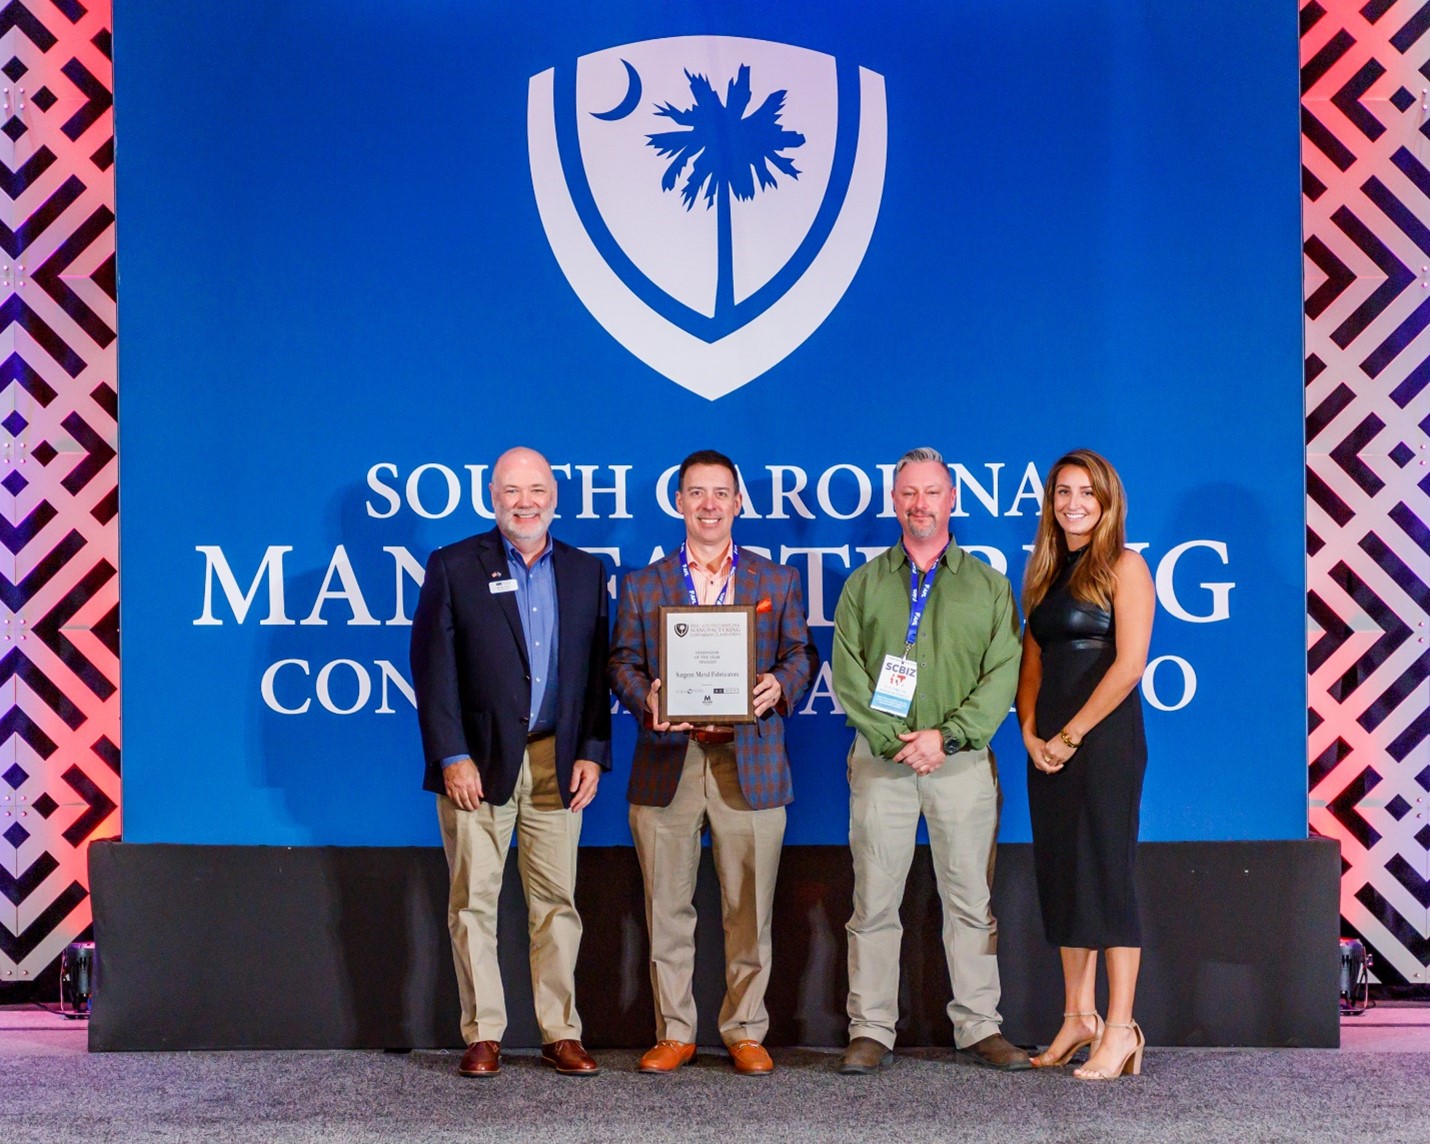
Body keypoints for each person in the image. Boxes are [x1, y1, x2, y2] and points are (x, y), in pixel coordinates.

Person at [609, 449, 820, 1076]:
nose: (708, 505)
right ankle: (674, 1031)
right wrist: (646, 697)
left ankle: (746, 1030)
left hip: (748, 760)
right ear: (679, 502)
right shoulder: (643, 584)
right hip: (668, 761)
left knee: (748, 909)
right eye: (696, 493)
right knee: (666, 907)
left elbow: (801, 654)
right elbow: (622, 662)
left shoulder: (775, 580)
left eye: (720, 493)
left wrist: (779, 685)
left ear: (737, 503)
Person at [410, 446, 611, 1078]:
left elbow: (595, 676)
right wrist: (452, 756)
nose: (525, 503)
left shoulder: (586, 571)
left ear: (555, 496)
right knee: (474, 900)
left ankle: (561, 1032)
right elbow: (432, 671)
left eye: (536, 490)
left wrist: (593, 753)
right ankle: (484, 1034)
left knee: (557, 902)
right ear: (492, 497)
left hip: (558, 758)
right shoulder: (453, 565)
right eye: (511, 492)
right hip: (477, 762)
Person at [831, 447, 1028, 1073]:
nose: (921, 504)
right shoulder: (864, 584)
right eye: (909, 493)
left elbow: (1003, 674)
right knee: (873, 901)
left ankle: (979, 1024)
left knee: (969, 899)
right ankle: (870, 1029)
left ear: (952, 499)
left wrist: (947, 736)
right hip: (882, 763)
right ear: (894, 502)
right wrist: (894, 739)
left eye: (932, 492)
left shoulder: (989, 587)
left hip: (961, 763)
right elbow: (848, 676)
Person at [1016, 448, 1153, 1081]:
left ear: (1107, 502)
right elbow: (1032, 664)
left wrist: (1071, 734)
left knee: (1106, 874)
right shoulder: (1044, 573)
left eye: (1086, 493)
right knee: (1064, 873)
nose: (1074, 504)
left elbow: (1129, 666)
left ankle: (1121, 1029)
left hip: (1102, 743)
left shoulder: (1126, 566)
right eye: (1063, 492)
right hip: (1049, 746)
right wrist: (1028, 732)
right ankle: (1079, 1017)